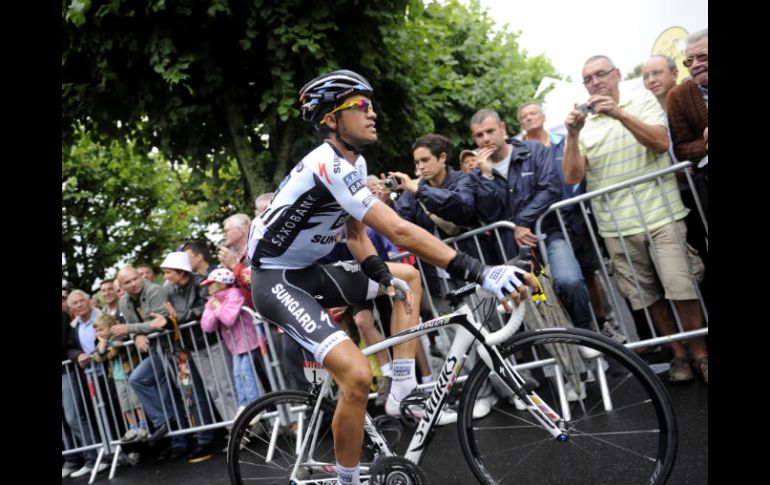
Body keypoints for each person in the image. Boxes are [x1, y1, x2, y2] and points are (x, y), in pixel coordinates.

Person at [247, 69, 534, 485]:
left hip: (310, 271)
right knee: (358, 376)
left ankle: (401, 390)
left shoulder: (356, 161)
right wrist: (479, 270)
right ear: (331, 119)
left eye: (372, 105)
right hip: (275, 281)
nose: (373, 113)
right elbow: (398, 230)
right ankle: (348, 481)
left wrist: (382, 274)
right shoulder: (326, 163)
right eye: (360, 106)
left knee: (409, 278)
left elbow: (355, 232)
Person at [562, 55, 708, 383]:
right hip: (616, 225)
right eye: (588, 78)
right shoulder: (584, 123)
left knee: (680, 286)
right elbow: (571, 177)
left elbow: (660, 143)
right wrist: (572, 134)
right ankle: (678, 355)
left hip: (661, 213)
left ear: (616, 74)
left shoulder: (640, 99)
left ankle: (701, 354)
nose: (595, 81)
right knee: (648, 296)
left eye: (601, 74)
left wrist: (618, 113)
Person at [470, 109, 596, 334]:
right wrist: (487, 176)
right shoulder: (478, 172)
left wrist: (521, 222)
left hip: (549, 232)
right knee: (538, 302)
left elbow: (551, 188)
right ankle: (562, 356)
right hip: (513, 248)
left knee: (569, 282)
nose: (485, 139)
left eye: (490, 131)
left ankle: (588, 334)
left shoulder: (534, 150)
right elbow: (488, 215)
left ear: (503, 129)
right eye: (479, 135)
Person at [517, 101, 619, 340]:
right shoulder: (521, 153)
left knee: (590, 273)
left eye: (533, 113)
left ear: (543, 116)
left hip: (577, 216)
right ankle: (583, 332)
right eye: (524, 116)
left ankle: (604, 323)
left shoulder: (564, 141)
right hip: (548, 226)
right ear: (520, 123)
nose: (529, 118)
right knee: (565, 281)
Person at [200, 268, 262, 417]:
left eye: (211, 283)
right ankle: (244, 404)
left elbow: (229, 318)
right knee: (237, 374)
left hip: (248, 341)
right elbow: (207, 326)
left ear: (222, 284)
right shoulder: (213, 300)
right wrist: (216, 308)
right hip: (235, 346)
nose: (208, 287)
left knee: (246, 372)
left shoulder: (234, 294)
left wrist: (218, 308)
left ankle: (254, 405)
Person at [92, 312, 149, 442]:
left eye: (101, 330)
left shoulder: (119, 337)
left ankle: (142, 424)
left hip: (129, 371)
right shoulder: (103, 342)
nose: (99, 333)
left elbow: (112, 352)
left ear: (111, 327)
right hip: (117, 376)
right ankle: (132, 426)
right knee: (124, 402)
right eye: (97, 331)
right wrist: (103, 345)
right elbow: (98, 358)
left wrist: (104, 347)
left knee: (135, 399)